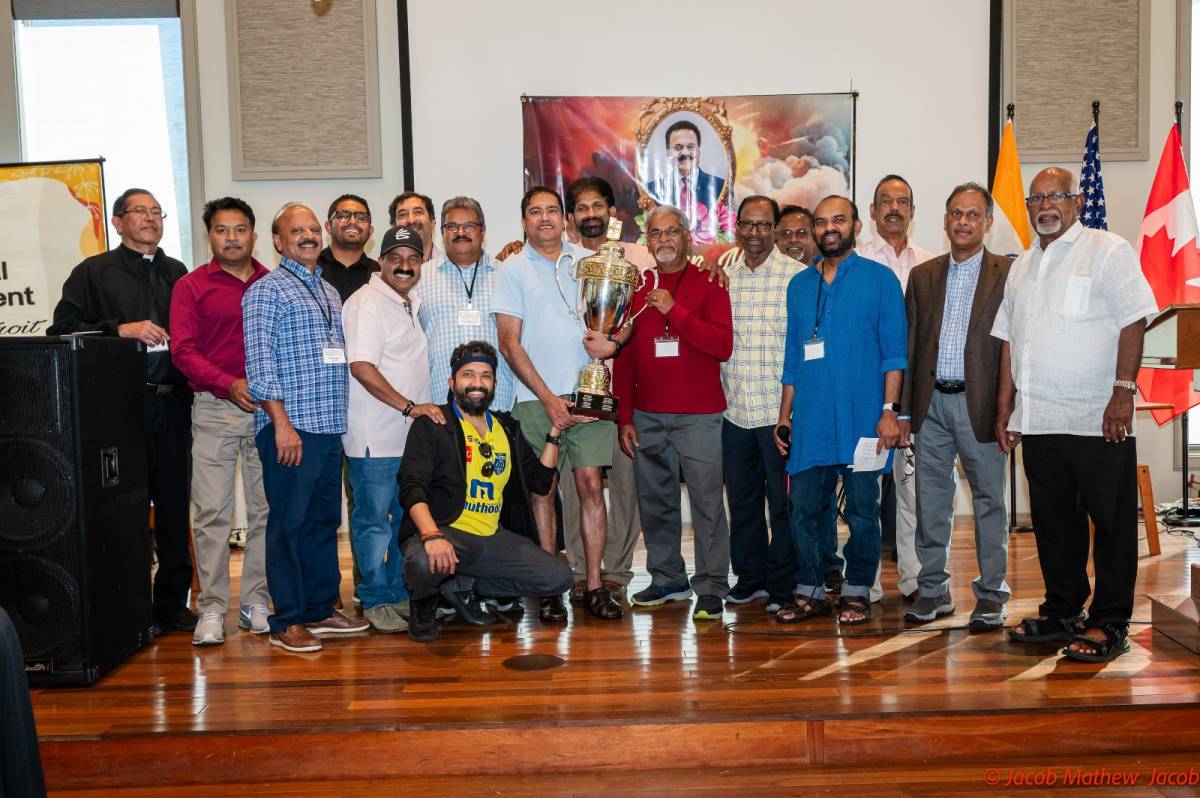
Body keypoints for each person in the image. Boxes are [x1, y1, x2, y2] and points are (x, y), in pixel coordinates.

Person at [993, 167, 1157, 662]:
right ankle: (1062, 610)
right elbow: (1009, 341)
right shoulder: (1021, 266)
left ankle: (1110, 622)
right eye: (1037, 198)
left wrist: (1123, 391)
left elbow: (1133, 318)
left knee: (1111, 524)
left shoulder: (1107, 250)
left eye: (1056, 196)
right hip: (1038, 419)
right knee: (1054, 524)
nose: (1046, 205)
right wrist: (1005, 407)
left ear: (1078, 202)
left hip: (1096, 417)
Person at [48, 188, 196, 635]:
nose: (150, 218)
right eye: (140, 211)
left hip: (174, 403)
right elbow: (61, 330)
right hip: (119, 408)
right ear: (117, 222)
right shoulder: (92, 272)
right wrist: (119, 329)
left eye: (157, 212)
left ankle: (171, 604)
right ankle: (128, 607)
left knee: (173, 507)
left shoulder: (178, 273)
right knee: (125, 509)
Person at [243, 203, 368, 653]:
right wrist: (281, 424)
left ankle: (319, 608)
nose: (308, 235)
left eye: (313, 228)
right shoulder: (265, 291)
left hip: (328, 427)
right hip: (291, 428)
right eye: (297, 230)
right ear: (278, 241)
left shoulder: (329, 290)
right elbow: (260, 366)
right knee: (288, 525)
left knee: (322, 522)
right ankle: (288, 619)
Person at [597, 205, 734, 619]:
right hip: (647, 416)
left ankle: (711, 586)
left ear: (687, 236)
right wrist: (624, 417)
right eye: (655, 233)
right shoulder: (637, 286)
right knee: (655, 503)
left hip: (699, 416)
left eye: (671, 231)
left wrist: (674, 310)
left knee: (708, 504)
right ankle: (668, 577)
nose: (664, 240)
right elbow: (624, 358)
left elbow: (721, 345)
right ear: (647, 240)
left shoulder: (710, 282)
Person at [776, 195, 907, 625]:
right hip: (812, 419)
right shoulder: (799, 285)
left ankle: (856, 592)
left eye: (838, 220)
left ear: (856, 226)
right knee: (804, 510)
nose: (829, 228)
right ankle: (811, 589)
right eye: (821, 222)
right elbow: (793, 358)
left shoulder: (880, 279)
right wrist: (784, 415)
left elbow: (894, 354)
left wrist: (889, 410)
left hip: (864, 418)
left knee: (864, 512)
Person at [494, 186, 622, 621]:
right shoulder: (510, 269)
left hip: (589, 395)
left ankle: (594, 585)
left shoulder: (588, 262)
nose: (544, 217)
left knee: (591, 488)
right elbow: (509, 345)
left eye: (552, 210)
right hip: (535, 399)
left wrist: (612, 344)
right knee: (542, 492)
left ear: (564, 219)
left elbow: (617, 321)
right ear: (524, 221)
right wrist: (548, 399)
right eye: (535, 211)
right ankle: (549, 587)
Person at [398, 341, 575, 642]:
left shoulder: (506, 428)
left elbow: (540, 482)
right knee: (422, 560)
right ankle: (424, 606)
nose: (477, 383)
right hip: (447, 531)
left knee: (559, 578)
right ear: (452, 382)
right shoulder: (433, 423)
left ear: (494, 383)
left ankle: (463, 585)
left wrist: (555, 432)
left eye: (485, 376)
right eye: (468, 375)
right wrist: (431, 535)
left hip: (492, 538)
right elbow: (411, 486)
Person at [899, 183, 1012, 631]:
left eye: (972, 214)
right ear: (945, 220)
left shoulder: (1009, 273)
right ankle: (933, 590)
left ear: (988, 221)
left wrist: (1009, 411)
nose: (963, 222)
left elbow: (1015, 346)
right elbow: (910, 347)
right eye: (955, 214)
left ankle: (992, 594)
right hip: (930, 408)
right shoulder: (922, 276)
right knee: (931, 503)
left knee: (989, 502)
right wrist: (904, 410)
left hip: (980, 406)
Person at [170, 196, 271, 645]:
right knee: (212, 512)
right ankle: (211, 607)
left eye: (239, 229)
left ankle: (256, 601)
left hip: (269, 411)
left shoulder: (273, 283)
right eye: (222, 230)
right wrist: (228, 384)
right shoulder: (191, 286)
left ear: (254, 234)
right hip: (214, 409)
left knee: (267, 509)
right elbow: (183, 351)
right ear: (209, 236)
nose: (231, 238)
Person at [343, 225, 442, 633]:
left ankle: (397, 592)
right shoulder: (367, 302)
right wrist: (410, 407)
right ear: (380, 261)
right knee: (373, 523)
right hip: (375, 438)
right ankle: (375, 598)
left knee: (402, 521)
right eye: (396, 258)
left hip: (405, 439)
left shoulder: (408, 302)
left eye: (412, 259)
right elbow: (361, 367)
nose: (404, 266)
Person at [558, 177, 650, 604]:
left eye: (598, 206)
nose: (590, 214)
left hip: (627, 393)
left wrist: (616, 342)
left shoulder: (639, 257)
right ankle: (581, 569)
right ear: (571, 217)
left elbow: (649, 310)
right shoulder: (563, 261)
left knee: (627, 485)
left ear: (612, 212)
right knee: (578, 484)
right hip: (575, 393)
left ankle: (615, 572)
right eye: (582, 208)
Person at [720, 196, 803, 612]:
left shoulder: (797, 278)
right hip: (734, 412)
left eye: (764, 225)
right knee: (742, 503)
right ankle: (750, 578)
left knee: (784, 506)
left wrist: (793, 412)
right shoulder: (724, 279)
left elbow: (804, 350)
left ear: (775, 229)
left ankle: (783, 585)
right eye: (748, 225)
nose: (755, 233)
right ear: (736, 227)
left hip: (779, 415)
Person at [857, 174, 936, 599]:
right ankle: (864, 584)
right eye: (885, 201)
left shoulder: (931, 264)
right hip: (867, 398)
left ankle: (914, 581)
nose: (893, 208)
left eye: (901, 201)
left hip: (915, 401)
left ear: (912, 211)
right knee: (863, 498)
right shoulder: (855, 263)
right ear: (872, 212)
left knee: (912, 496)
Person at [418, 196, 516, 414]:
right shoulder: (420, 278)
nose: (460, 232)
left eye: (469, 226)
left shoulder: (506, 275)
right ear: (442, 232)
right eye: (452, 226)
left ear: (483, 231)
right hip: (440, 403)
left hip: (498, 400)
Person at [648, 120, 727, 243]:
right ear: (668, 152)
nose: (685, 152)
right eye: (677, 147)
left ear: (699, 150)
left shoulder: (721, 186)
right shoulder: (651, 190)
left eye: (691, 147)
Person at [318, 194, 379, 303]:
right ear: (328, 227)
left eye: (361, 218)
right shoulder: (311, 268)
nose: (352, 221)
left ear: (370, 231)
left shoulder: (379, 274)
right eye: (343, 216)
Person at [389, 191, 443, 264]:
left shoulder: (450, 266)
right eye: (402, 214)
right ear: (394, 227)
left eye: (418, 212)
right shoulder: (385, 268)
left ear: (432, 223)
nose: (411, 220)